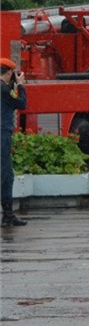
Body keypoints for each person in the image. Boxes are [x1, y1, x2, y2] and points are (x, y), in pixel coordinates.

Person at [2, 58, 29, 227]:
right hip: (2, 134)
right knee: (6, 175)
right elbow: (22, 104)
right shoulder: (4, 90)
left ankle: (8, 214)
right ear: (10, 72)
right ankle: (8, 215)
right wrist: (20, 85)